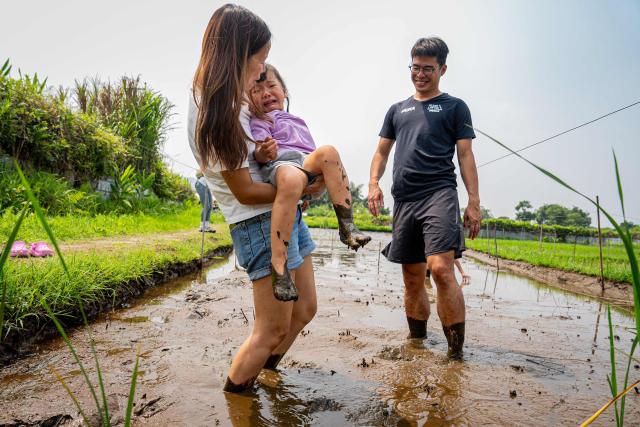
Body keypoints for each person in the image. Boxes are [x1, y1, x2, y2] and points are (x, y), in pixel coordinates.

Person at [188, 4, 322, 393]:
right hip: (258, 223)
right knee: (272, 327)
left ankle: (263, 373)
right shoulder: (215, 111)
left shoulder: (237, 103)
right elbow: (244, 192)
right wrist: (302, 188)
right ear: (237, 55)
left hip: (283, 215)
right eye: (258, 61)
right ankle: (237, 396)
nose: (261, 72)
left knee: (305, 310)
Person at [368, 37, 481, 359]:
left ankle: (455, 354)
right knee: (412, 275)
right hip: (404, 199)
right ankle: (416, 344)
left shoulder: (455, 107)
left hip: (439, 194)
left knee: (442, 268)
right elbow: (381, 151)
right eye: (415, 68)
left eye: (428, 69)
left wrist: (473, 201)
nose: (420, 74)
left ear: (442, 69)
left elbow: (466, 154)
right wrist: (374, 183)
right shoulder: (397, 109)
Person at [248, 64, 371, 300]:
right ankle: (279, 265)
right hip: (282, 166)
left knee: (328, 151)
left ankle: (347, 225)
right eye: (257, 89)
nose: (266, 93)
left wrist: (312, 189)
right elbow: (258, 154)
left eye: (271, 86)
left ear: (284, 90)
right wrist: (263, 152)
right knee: (293, 178)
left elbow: (311, 153)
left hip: (303, 164)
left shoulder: (297, 121)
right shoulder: (260, 120)